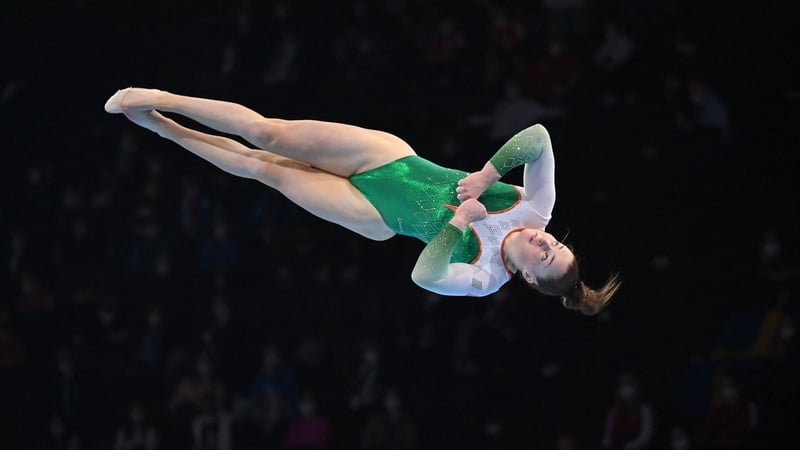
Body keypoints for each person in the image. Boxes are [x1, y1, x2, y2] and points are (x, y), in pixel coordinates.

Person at [104, 88, 619, 314]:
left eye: (546, 253)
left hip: (375, 215)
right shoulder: (534, 207)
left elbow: (426, 274)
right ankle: (160, 98)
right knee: (270, 134)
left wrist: (463, 218)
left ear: (529, 276)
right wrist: (485, 177)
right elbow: (538, 137)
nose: (545, 238)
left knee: (259, 168)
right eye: (556, 241)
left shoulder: (486, 279)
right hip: (391, 160)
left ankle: (161, 128)